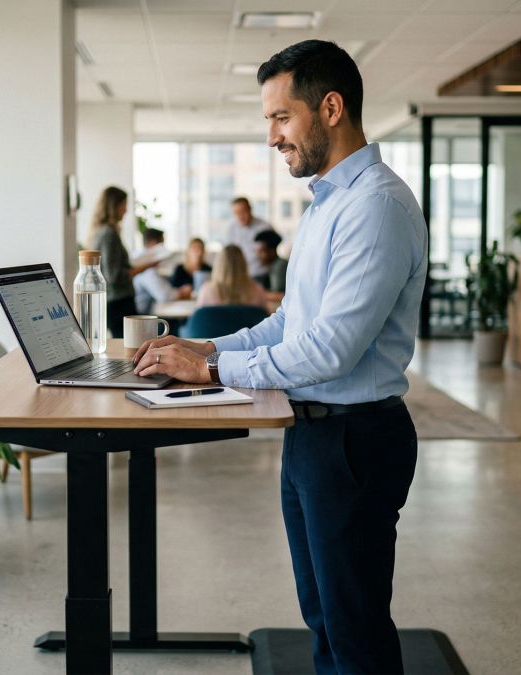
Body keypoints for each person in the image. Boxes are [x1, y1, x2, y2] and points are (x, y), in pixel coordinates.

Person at [131, 40, 427, 674]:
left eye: (280, 118)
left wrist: (209, 371)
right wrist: (207, 346)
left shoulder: (375, 206)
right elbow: (291, 323)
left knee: (355, 627)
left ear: (330, 108)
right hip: (313, 434)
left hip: (355, 438)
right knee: (322, 613)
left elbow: (330, 350)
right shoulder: (328, 204)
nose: (272, 137)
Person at [88, 186, 159, 338]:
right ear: (114, 206)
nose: (126, 210)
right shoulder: (109, 234)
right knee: (131, 345)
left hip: (116, 301)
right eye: (123, 205)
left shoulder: (103, 232)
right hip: (118, 302)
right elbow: (113, 276)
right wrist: (146, 266)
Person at [132, 228, 190, 314]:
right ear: (154, 245)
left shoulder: (140, 261)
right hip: (140, 317)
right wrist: (181, 292)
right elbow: (164, 296)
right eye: (162, 244)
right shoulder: (146, 269)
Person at [196, 244, 268, 309]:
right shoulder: (258, 292)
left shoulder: (206, 291)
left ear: (218, 265)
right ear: (243, 264)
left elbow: (199, 320)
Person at [228, 196, 274, 277]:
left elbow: (273, 253)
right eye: (237, 213)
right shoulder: (232, 229)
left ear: (250, 209)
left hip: (261, 274)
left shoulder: (264, 227)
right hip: (239, 275)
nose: (240, 216)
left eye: (243, 211)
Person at [252, 229, 289, 302]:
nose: (257, 256)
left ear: (272, 251)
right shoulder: (274, 266)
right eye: (257, 252)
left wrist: (256, 294)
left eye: (261, 251)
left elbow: (280, 295)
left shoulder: (280, 267)